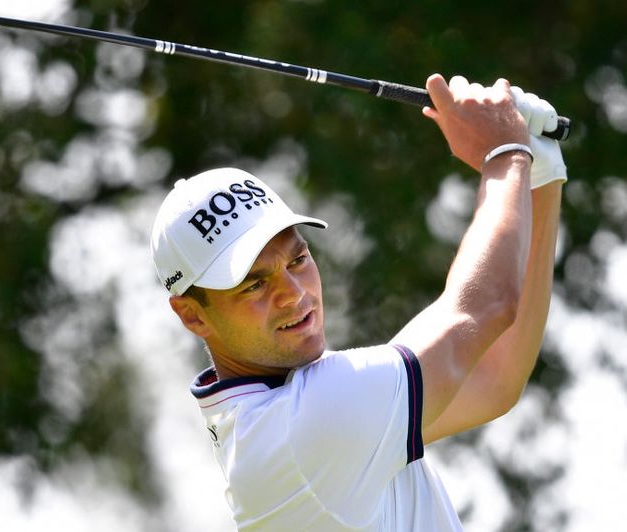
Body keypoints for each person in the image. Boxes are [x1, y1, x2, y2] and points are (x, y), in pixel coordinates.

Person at [149, 74, 567, 531]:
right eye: (254, 285)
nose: (294, 293)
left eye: (298, 259)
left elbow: (492, 378)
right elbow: (484, 307)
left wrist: (537, 178)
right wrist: (505, 153)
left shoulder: (302, 404)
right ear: (192, 315)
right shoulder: (300, 430)